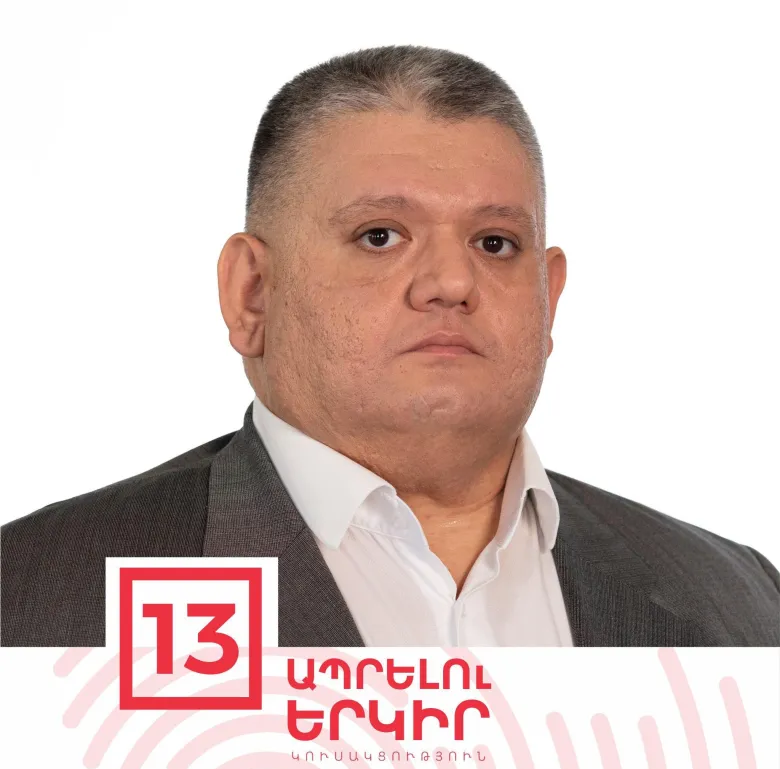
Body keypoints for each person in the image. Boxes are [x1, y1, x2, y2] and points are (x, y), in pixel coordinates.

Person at [2, 45, 778, 648]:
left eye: (495, 243)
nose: (452, 282)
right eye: (380, 235)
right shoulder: (32, 595)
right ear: (252, 293)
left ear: (549, 298)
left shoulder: (742, 603)